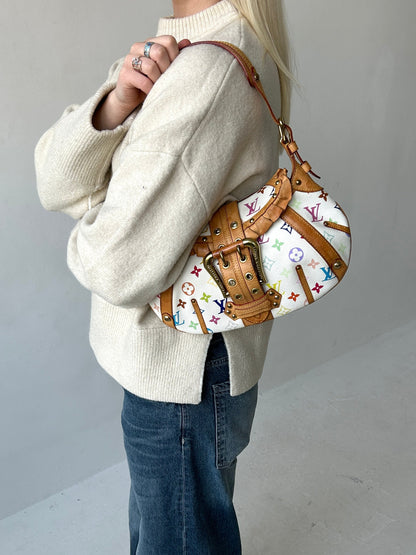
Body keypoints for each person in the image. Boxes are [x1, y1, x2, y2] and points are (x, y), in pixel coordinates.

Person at [35, 0, 295, 552]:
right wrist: (115, 104)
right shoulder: (193, 50)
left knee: (173, 538)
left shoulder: (208, 71)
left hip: (182, 374)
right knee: (175, 532)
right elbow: (54, 181)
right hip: (190, 365)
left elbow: (114, 265)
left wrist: (102, 210)